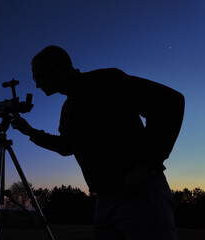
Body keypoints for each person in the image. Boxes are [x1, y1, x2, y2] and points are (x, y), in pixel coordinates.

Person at [11, 45, 184, 240]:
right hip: (103, 201)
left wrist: (147, 165)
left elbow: (170, 102)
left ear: (55, 69)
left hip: (140, 195)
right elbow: (67, 147)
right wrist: (30, 132)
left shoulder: (106, 81)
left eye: (37, 76)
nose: (36, 84)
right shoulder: (68, 108)